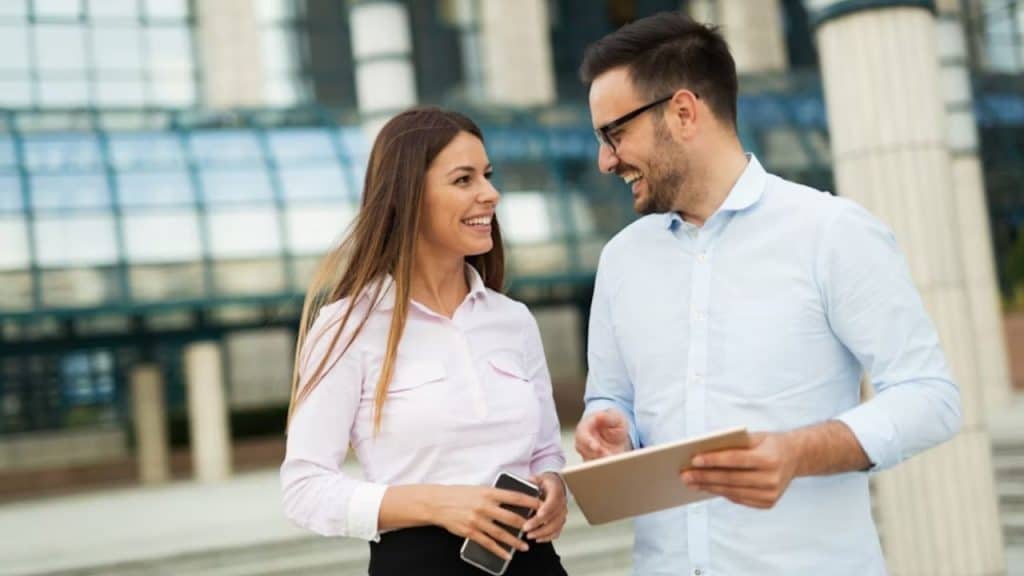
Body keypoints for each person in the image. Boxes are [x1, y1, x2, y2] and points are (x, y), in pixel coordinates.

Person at [573, 12, 961, 576]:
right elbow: (613, 400)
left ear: (683, 113)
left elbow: (931, 397)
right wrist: (609, 421)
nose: (606, 160)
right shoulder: (621, 261)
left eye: (614, 133)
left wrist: (796, 453)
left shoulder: (832, 232)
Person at [281, 107, 568, 576]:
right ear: (408, 196)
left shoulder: (513, 321)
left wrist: (554, 484)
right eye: (464, 180)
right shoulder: (347, 326)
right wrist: (437, 505)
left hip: (533, 565)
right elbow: (304, 489)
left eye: (488, 176)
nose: (490, 194)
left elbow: (544, 451)